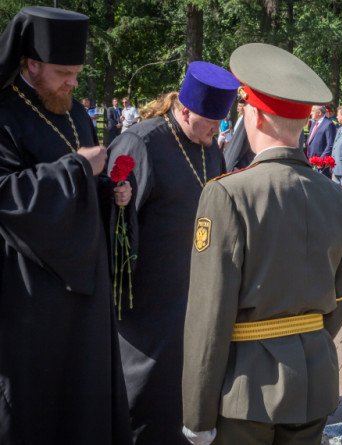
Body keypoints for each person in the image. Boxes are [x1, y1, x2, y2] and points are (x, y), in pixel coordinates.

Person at [182, 42, 342, 445]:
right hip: (313, 382)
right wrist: (302, 343)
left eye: (243, 107)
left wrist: (196, 413)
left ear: (255, 115)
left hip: (243, 391)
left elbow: (210, 314)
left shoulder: (227, 194)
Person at [0, 6, 133, 444]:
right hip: (27, 293)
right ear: (30, 63)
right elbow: (7, 195)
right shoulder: (4, 113)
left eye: (77, 72)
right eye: (63, 72)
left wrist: (112, 192)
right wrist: (78, 168)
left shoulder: (74, 113)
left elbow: (86, 183)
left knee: (83, 394)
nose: (73, 83)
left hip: (83, 288)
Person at [107, 61, 238, 444]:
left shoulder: (209, 145)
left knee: (188, 389)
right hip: (149, 302)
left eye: (220, 123)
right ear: (183, 110)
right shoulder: (141, 142)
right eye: (210, 122)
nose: (217, 131)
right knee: (146, 391)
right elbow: (115, 221)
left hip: (194, 290)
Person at [306, 105, 336, 176]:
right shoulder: (314, 124)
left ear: (319, 112)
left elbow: (330, 144)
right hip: (310, 161)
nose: (310, 113)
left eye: (312, 111)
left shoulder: (328, 124)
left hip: (320, 164)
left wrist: (321, 160)